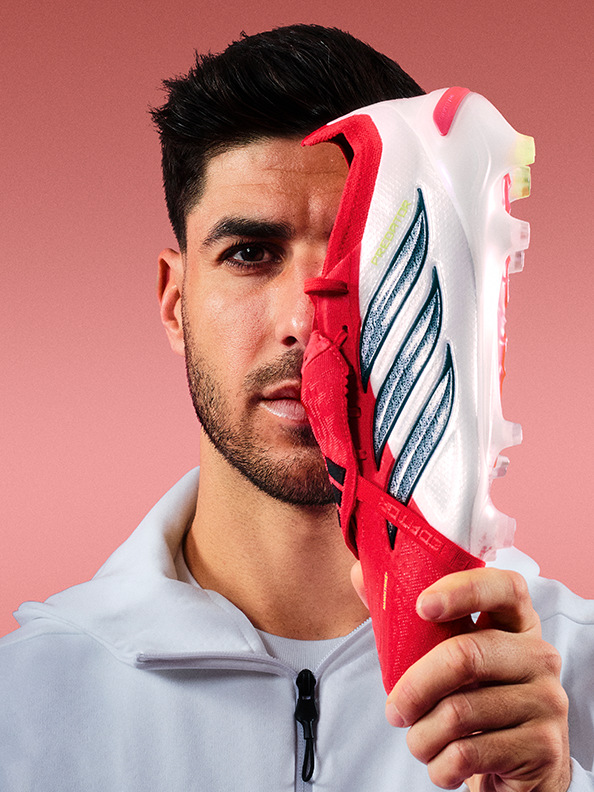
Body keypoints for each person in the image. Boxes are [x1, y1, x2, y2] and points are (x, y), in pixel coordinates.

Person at [1, 24, 593, 792]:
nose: (312, 323)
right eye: (251, 253)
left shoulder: (569, 671)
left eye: (359, 256)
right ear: (175, 303)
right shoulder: (27, 704)